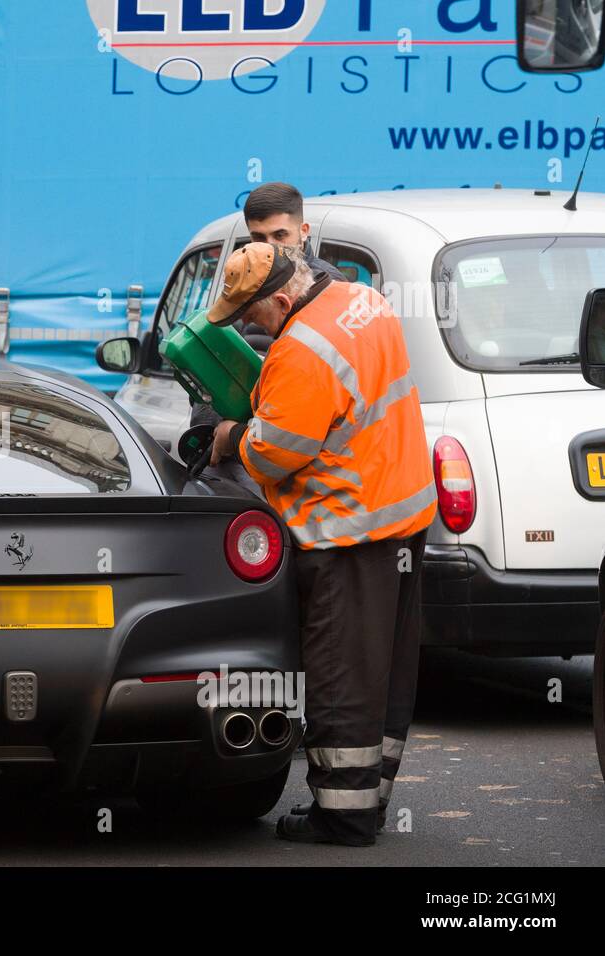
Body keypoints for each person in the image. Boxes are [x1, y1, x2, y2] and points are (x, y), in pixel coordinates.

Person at [207, 242, 436, 846]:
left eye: (253, 317)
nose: (253, 331)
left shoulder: (300, 351)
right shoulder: (364, 301)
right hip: (401, 521)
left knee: (340, 679)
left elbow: (275, 454)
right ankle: (371, 798)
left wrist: (233, 435)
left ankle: (344, 815)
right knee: (383, 677)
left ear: (281, 297)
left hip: (344, 533)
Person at [187, 183, 345, 483]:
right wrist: (212, 441)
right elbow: (216, 370)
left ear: (304, 231)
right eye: (259, 237)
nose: (271, 246)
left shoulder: (328, 288)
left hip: (295, 462)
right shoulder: (245, 277)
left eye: (280, 235)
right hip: (240, 453)